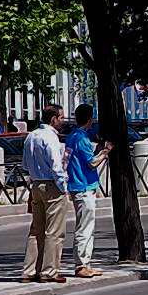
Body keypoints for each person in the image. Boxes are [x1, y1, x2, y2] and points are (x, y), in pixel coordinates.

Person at [21, 104, 69, 283]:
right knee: (54, 231)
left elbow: (25, 165)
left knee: (36, 230)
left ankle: (29, 270)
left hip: (36, 184)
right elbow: (56, 166)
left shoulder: (31, 136)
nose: (63, 121)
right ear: (53, 119)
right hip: (51, 186)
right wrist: (63, 187)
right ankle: (49, 271)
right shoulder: (51, 138)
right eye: (61, 118)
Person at [65, 104, 111, 278]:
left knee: (83, 225)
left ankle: (84, 263)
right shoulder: (82, 138)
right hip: (84, 186)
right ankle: (82, 265)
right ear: (90, 119)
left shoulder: (71, 137)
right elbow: (91, 163)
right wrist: (105, 152)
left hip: (77, 185)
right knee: (85, 227)